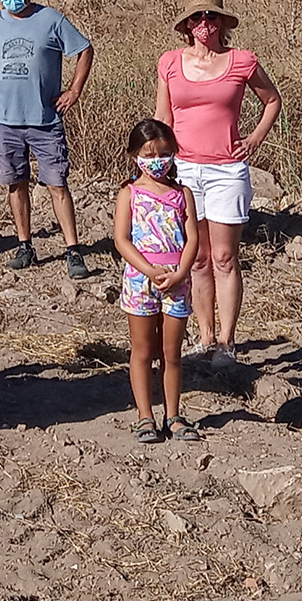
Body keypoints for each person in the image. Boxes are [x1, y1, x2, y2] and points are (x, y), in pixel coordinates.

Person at [153, 0, 281, 363]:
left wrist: (255, 138)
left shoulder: (242, 61)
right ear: (186, 26)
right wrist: (156, 165)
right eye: (196, 18)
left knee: (225, 257)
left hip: (227, 169)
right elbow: (164, 117)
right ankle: (205, 337)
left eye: (210, 17)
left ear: (223, 22)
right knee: (197, 258)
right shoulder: (170, 63)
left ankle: (227, 342)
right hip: (185, 169)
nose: (203, 24)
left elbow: (272, 99)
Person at [0, 0, 94, 276]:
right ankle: (26, 246)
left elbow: (85, 49)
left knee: (56, 184)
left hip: (45, 119)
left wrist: (74, 90)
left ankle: (72, 250)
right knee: (15, 183)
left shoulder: (51, 19)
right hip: (6, 121)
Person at [113, 119, 201, 444]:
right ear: (135, 154)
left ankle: (173, 415)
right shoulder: (129, 193)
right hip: (140, 280)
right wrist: (149, 271)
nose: (157, 161)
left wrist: (179, 273)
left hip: (177, 282)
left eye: (164, 154)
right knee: (142, 350)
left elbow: (193, 239)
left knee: (172, 352)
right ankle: (145, 415)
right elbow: (122, 240)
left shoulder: (183, 194)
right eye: (149, 154)